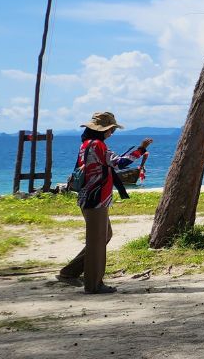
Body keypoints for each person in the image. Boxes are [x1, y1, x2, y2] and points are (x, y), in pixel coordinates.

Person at [57, 112, 148, 294]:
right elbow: (120, 163)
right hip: (95, 198)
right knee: (97, 241)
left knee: (104, 236)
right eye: (111, 129)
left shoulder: (85, 145)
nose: (112, 132)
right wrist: (141, 149)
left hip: (89, 197)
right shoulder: (98, 145)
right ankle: (93, 284)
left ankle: (70, 272)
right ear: (103, 130)